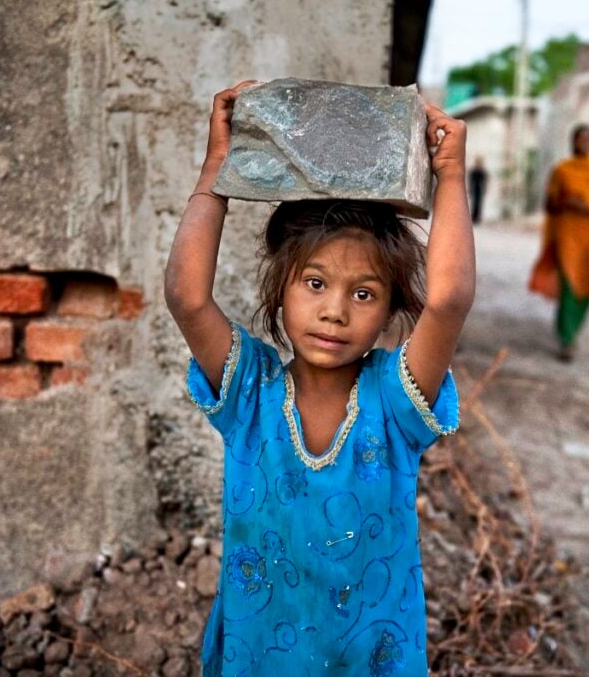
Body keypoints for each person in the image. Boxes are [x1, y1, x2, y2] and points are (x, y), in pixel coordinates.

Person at [164, 80, 475, 676]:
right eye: (314, 283)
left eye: (364, 293)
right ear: (280, 291)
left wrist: (452, 177)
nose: (335, 310)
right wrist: (217, 165)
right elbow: (185, 293)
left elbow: (451, 298)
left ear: (388, 312)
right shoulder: (249, 395)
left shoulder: (395, 402)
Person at [528, 124, 589, 362]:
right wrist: (569, 203)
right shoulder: (563, 170)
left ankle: (572, 328)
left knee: (586, 284)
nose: (585, 142)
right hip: (567, 234)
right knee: (569, 283)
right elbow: (550, 204)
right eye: (581, 138)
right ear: (573, 142)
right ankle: (567, 339)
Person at [469, 156, 488, 224]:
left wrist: (485, 189)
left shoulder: (482, 171)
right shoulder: (473, 171)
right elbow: (471, 181)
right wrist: (470, 189)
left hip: (480, 189)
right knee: (474, 203)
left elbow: (485, 181)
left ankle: (478, 218)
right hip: (475, 188)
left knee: (479, 203)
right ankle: (474, 217)